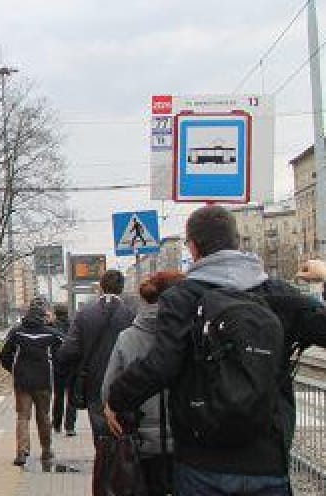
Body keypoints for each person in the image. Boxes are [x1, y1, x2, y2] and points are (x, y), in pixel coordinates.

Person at [105, 205, 326, 496]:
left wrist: (116, 399)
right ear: (237, 242)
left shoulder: (182, 298)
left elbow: (161, 364)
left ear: (194, 248)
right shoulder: (278, 294)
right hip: (267, 460)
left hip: (202, 463)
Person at [101, 271, 183, 496]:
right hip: (184, 444)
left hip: (140, 444)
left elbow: (107, 390)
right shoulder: (188, 334)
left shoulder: (127, 338)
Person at [55, 269, 135, 495]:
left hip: (94, 386)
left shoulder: (85, 314)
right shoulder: (130, 313)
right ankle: (123, 482)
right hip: (125, 386)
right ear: (121, 288)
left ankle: (104, 485)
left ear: (100, 286)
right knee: (124, 438)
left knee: (101, 441)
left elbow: (68, 351)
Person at [0, 296, 62, 466]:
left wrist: (13, 369)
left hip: (22, 382)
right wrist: (56, 370)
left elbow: (4, 355)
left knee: (23, 417)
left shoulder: (17, 332)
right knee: (44, 416)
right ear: (43, 316)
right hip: (43, 381)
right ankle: (46, 450)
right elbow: (63, 355)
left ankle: (21, 452)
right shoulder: (52, 334)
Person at [50, 303, 77, 437]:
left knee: (58, 396)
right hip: (72, 365)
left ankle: (56, 424)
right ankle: (70, 427)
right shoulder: (74, 325)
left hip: (58, 365)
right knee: (72, 397)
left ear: (56, 313)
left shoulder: (52, 326)